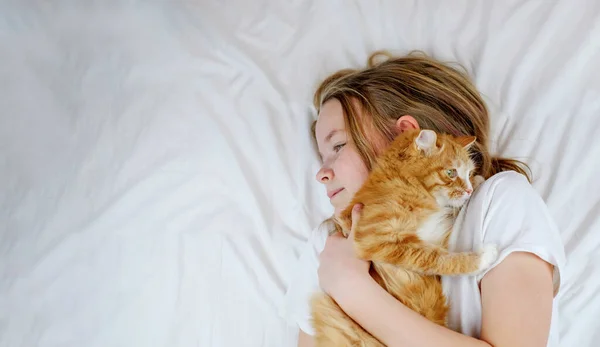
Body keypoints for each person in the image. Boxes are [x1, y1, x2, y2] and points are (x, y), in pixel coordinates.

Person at [282, 51, 566, 347]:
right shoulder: (329, 243)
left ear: (406, 137)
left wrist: (351, 287)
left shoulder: (500, 202)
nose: (322, 173)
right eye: (321, 156)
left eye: (338, 146)